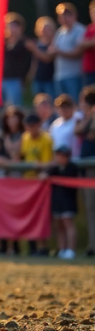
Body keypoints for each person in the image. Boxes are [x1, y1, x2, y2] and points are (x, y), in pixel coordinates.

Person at [21, 113, 53, 256]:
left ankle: (43, 247)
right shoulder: (25, 137)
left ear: (38, 125)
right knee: (29, 215)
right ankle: (31, 246)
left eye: (32, 126)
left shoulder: (46, 139)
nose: (29, 129)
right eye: (27, 126)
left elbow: (47, 162)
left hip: (41, 183)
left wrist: (39, 167)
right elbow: (23, 156)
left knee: (41, 215)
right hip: (28, 181)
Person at [50, 2, 87, 102]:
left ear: (74, 15)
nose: (65, 18)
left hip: (74, 75)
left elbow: (78, 53)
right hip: (59, 75)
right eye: (62, 16)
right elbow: (52, 49)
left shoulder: (80, 30)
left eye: (67, 15)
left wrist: (59, 52)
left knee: (74, 104)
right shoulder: (60, 32)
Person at [47, 146, 79, 259]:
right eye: (58, 155)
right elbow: (45, 175)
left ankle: (71, 250)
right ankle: (62, 249)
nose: (59, 158)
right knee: (59, 226)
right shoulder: (54, 168)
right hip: (57, 201)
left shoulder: (72, 168)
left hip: (68, 201)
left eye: (62, 155)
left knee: (68, 224)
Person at [76, 85, 95, 256]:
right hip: (87, 169)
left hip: (92, 168)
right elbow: (79, 131)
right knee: (90, 208)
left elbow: (89, 133)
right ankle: (92, 245)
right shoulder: (87, 117)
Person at [3, 12, 31, 107]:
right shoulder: (3, 43)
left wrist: (26, 79)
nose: (11, 28)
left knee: (15, 108)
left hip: (16, 80)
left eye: (15, 25)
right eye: (9, 25)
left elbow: (30, 62)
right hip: (2, 79)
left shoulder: (25, 43)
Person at [28, 16, 57, 97]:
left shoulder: (54, 43)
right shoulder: (37, 43)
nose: (44, 31)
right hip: (38, 79)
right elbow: (34, 62)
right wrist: (31, 75)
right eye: (42, 28)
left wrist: (34, 49)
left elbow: (47, 58)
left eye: (47, 29)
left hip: (50, 79)